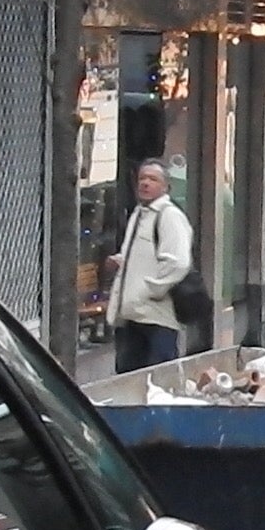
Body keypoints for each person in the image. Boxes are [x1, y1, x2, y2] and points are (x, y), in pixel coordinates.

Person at [105, 158, 191, 373]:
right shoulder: (139, 214)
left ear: (165, 186)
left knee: (157, 383)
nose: (145, 183)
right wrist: (120, 262)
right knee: (127, 381)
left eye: (152, 179)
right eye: (142, 178)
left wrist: (151, 290)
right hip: (131, 317)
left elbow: (178, 263)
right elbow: (141, 257)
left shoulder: (169, 216)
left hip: (156, 319)